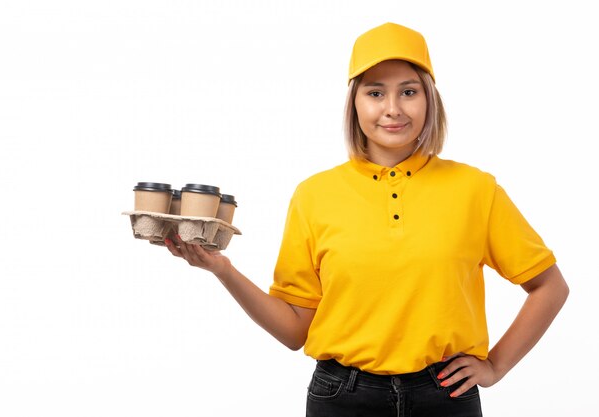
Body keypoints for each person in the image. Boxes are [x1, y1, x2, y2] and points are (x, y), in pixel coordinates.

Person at [164, 22, 569, 417]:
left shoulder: (476, 190)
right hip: (341, 397)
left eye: (408, 92)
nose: (392, 109)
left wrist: (496, 365)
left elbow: (549, 286)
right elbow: (294, 332)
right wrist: (223, 270)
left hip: (444, 396)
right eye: (375, 93)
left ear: (429, 100)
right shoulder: (314, 195)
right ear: (355, 102)